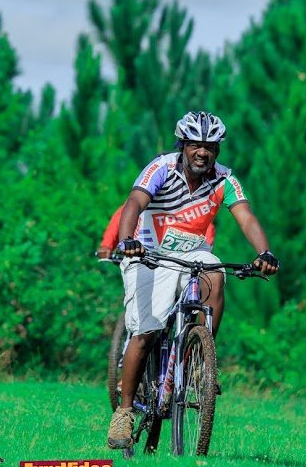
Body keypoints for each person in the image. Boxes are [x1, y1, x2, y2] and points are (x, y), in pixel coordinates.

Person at [106, 110, 280, 449]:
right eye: (196, 145)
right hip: (148, 252)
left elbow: (246, 217)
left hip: (192, 254)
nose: (203, 152)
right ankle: (124, 413)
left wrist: (265, 253)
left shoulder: (225, 179)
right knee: (148, 327)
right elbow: (134, 203)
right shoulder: (161, 168)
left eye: (211, 147)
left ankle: (200, 361)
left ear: (217, 150)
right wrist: (128, 240)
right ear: (183, 145)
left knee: (214, 271)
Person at [96, 204, 216, 259]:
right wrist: (106, 246)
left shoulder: (187, 202)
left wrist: (204, 254)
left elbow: (205, 227)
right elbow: (122, 216)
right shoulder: (143, 197)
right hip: (144, 257)